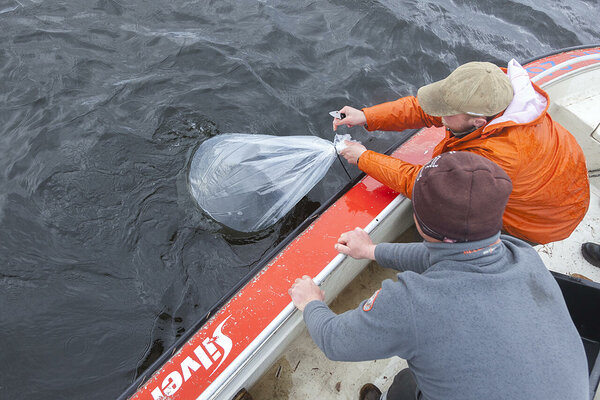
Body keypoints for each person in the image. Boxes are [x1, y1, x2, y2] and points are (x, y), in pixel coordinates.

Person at [289, 152, 589, 400]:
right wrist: (372, 251)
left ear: (420, 223)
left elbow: (334, 340)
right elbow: (448, 255)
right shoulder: (521, 253)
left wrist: (310, 302)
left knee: (405, 386)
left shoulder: (411, 303)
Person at [333, 60, 589, 245]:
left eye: (447, 112)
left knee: (445, 223)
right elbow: (426, 109)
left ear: (478, 122)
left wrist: (363, 157)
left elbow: (428, 184)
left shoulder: (496, 157)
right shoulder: (487, 92)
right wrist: (366, 115)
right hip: (549, 185)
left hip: (539, 222)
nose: (439, 115)